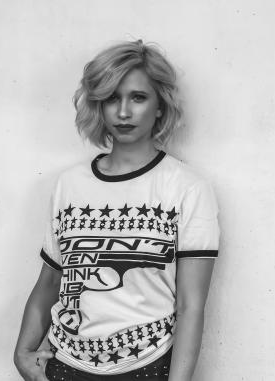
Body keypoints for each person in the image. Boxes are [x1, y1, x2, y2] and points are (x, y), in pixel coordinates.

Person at [13, 39, 220, 381]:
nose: (123, 112)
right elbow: (51, 279)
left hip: (146, 367)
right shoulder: (69, 184)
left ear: (159, 106)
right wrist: (22, 352)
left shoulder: (187, 187)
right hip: (64, 364)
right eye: (111, 98)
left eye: (138, 97)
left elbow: (191, 306)